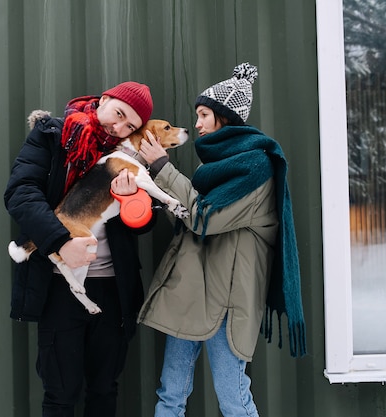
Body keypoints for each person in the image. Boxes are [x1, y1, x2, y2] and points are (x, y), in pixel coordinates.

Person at [136, 63, 307, 417]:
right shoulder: (209, 169)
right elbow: (188, 219)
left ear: (223, 118)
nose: (196, 123)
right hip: (190, 291)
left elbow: (204, 219)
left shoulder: (254, 169)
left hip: (228, 300)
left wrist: (163, 169)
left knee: (233, 398)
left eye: (203, 115)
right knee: (171, 395)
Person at [4, 81, 154, 417]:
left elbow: (145, 225)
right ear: (103, 100)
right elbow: (21, 193)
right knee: (61, 392)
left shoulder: (127, 156)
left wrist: (133, 202)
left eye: (129, 125)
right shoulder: (53, 136)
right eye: (118, 114)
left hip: (112, 289)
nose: (118, 127)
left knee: (104, 389)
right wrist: (61, 241)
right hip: (59, 286)